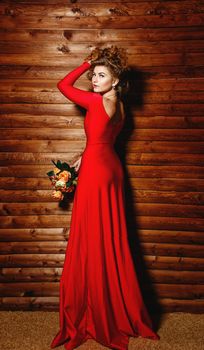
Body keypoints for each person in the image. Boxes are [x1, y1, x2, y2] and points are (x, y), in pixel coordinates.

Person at [50, 45, 160, 350]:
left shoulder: (97, 102)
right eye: (93, 74)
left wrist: (86, 61)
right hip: (109, 166)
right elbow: (101, 140)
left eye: (100, 75)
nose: (93, 79)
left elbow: (62, 85)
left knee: (90, 238)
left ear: (114, 80)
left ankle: (94, 313)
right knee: (107, 236)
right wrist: (80, 161)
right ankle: (113, 305)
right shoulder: (120, 106)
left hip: (98, 174)